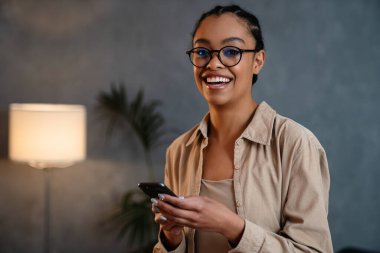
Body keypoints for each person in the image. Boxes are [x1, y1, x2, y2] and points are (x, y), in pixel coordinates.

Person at [151, 4, 333, 253]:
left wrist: (231, 226)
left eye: (231, 51)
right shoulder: (179, 151)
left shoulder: (296, 144)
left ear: (258, 61)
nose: (213, 64)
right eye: (202, 51)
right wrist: (172, 239)